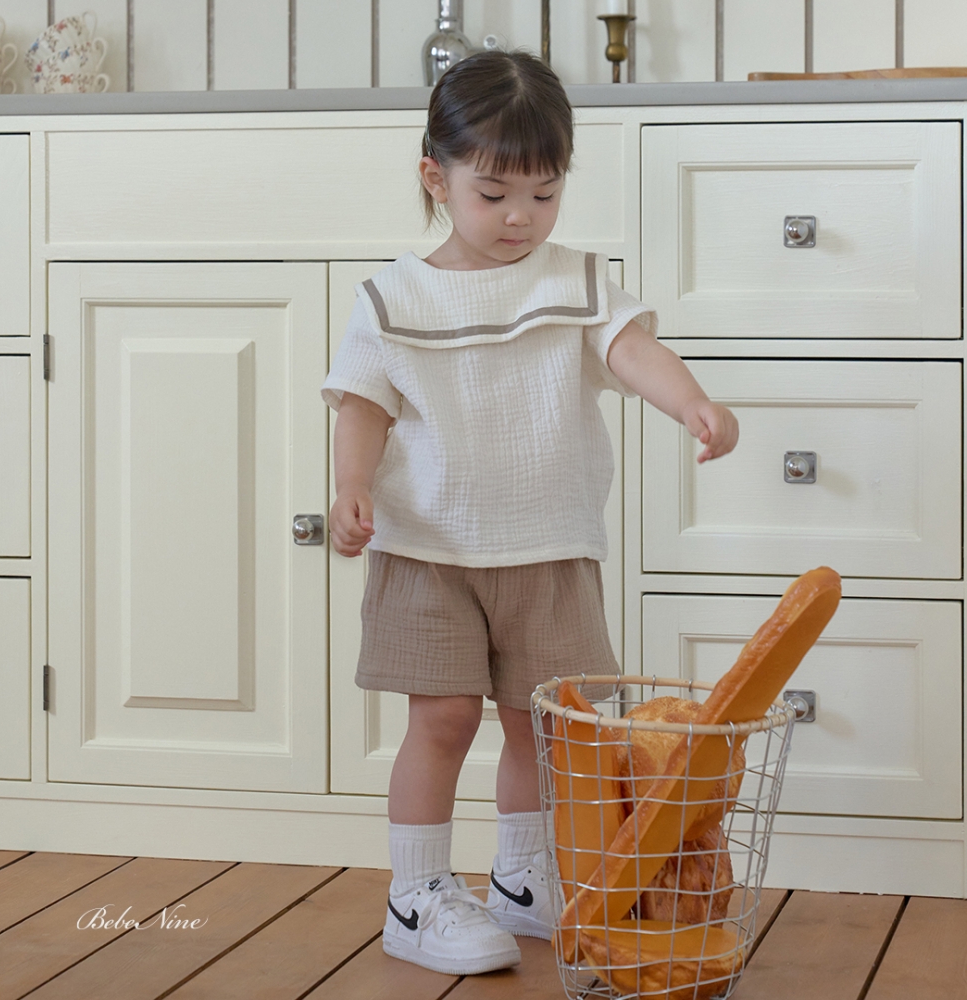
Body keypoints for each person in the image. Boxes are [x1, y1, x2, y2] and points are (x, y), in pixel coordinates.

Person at [321, 50, 738, 977]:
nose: (521, 217)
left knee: (544, 729)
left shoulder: (575, 282)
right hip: (430, 552)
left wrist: (693, 403)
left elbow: (631, 351)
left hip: (548, 550)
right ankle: (417, 895)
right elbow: (361, 404)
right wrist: (351, 486)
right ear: (437, 178)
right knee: (441, 722)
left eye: (544, 195)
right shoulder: (393, 297)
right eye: (495, 193)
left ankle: (522, 878)